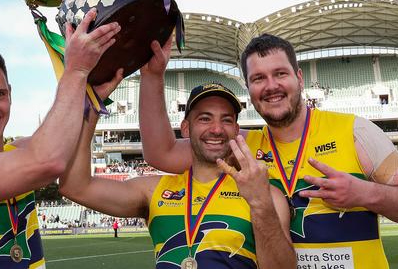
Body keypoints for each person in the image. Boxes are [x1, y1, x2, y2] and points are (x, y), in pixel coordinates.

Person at [139, 34, 398, 268]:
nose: (271, 86)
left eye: (280, 74)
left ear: (299, 78)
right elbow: (160, 153)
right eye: (258, 78)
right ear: (249, 90)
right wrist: (153, 76)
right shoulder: (240, 146)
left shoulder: (354, 132)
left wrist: (365, 193)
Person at [0, 9, 121, 268]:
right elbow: (49, 160)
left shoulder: (19, 152)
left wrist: (92, 101)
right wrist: (76, 70)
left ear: (10, 93)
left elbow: (68, 168)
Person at [59, 79, 296, 268]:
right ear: (185, 128)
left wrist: (260, 204)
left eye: (226, 120)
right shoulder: (154, 190)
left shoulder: (266, 195)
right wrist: (91, 108)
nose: (216, 129)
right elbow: (74, 186)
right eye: (204, 119)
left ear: (236, 130)